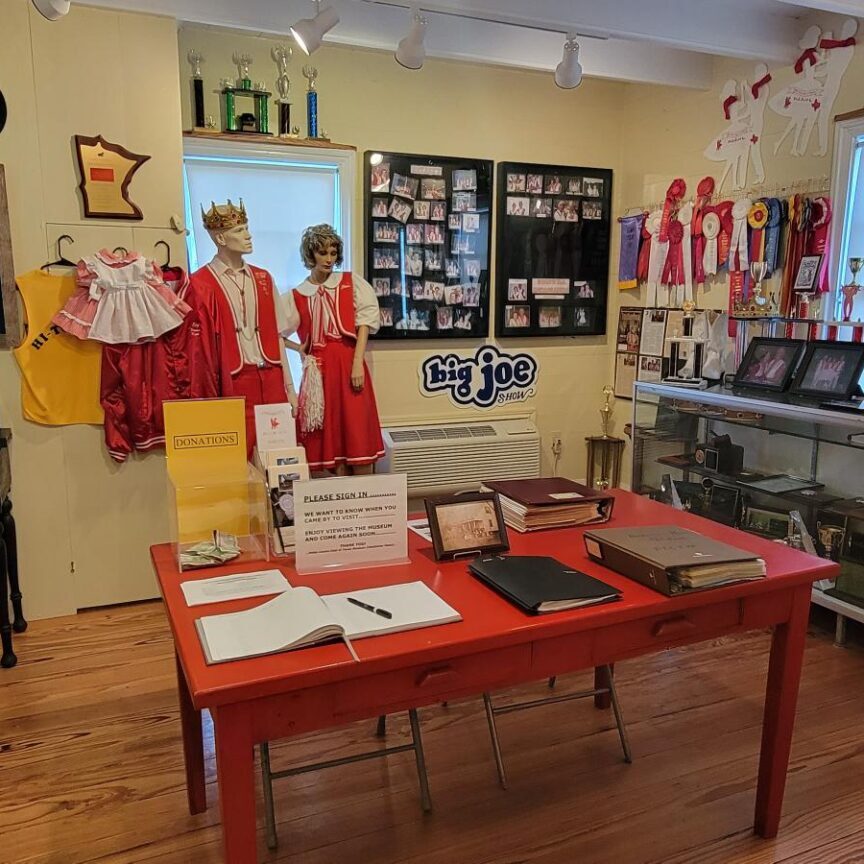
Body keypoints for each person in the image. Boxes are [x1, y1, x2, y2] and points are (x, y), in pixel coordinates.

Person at [189, 199, 294, 457]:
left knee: (282, 455)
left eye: (247, 228)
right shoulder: (199, 284)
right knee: (238, 456)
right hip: (232, 380)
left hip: (270, 377)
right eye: (239, 231)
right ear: (221, 238)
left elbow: (278, 336)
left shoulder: (264, 278)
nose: (248, 236)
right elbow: (198, 353)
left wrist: (290, 389)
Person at [285, 224, 384, 475]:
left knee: (356, 429)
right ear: (311, 255)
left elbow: (365, 323)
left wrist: (356, 363)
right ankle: (339, 501)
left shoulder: (351, 283)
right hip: (318, 371)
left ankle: (366, 498)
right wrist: (299, 348)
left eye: (332, 252)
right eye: (322, 253)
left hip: (348, 361)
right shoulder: (297, 294)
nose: (329, 259)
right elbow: (273, 332)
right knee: (329, 434)